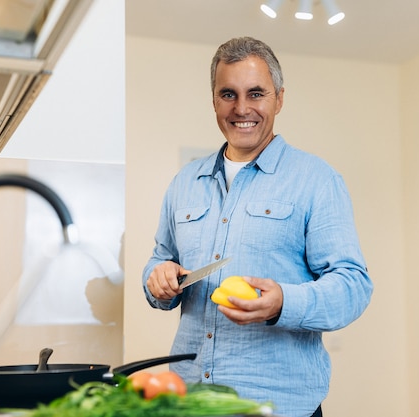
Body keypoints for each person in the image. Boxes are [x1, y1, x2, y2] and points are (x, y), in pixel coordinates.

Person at [142, 36, 373, 417]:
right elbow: (160, 260)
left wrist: (284, 302)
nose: (242, 108)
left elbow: (353, 285)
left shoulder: (316, 179)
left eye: (256, 93)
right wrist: (158, 278)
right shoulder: (184, 183)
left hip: (279, 407)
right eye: (228, 94)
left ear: (279, 99)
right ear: (214, 100)